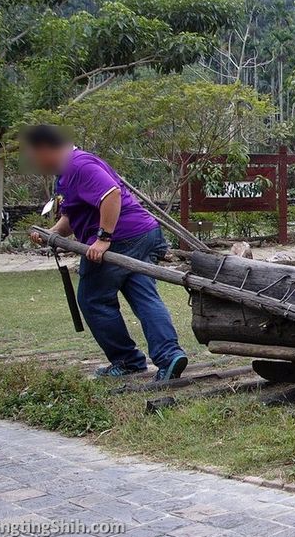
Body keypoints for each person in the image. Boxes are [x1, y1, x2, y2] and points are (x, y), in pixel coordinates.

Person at [22, 125, 189, 382]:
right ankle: (169, 355)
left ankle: (127, 360)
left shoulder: (79, 166)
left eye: (32, 155)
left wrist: (103, 238)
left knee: (93, 299)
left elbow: (111, 195)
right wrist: (52, 234)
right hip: (143, 233)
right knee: (142, 294)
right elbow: (74, 215)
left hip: (123, 238)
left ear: (45, 149)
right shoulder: (69, 171)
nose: (32, 162)